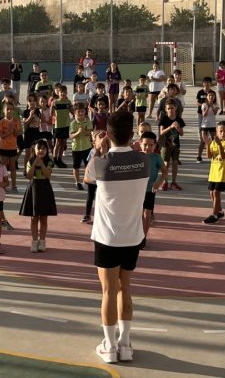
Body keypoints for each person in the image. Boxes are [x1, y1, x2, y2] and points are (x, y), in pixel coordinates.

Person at [84, 110, 149, 364]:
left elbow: (87, 175)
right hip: (133, 236)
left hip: (107, 237)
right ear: (132, 135)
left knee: (109, 291)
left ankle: (109, 346)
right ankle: (125, 343)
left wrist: (97, 149)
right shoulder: (143, 161)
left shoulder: (101, 163)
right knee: (126, 288)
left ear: (107, 134)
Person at [18, 138, 57, 253]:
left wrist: (41, 164)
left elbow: (47, 175)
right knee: (34, 217)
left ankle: (42, 241)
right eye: (39, 148)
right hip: (34, 188)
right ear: (34, 150)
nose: (41, 151)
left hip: (45, 188)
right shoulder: (30, 161)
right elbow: (29, 176)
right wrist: (35, 163)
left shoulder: (49, 162)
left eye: (44, 149)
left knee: (44, 217)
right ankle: (34, 241)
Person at [202, 121, 225, 224]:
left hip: (222, 174)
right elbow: (209, 156)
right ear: (217, 132)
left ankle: (214, 215)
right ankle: (219, 211)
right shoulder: (213, 142)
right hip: (213, 173)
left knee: (216, 192)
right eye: (220, 131)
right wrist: (207, 144)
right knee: (211, 193)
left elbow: (223, 156)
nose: (223, 133)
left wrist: (219, 144)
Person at [137, 131, 165, 236]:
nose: (147, 147)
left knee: (147, 216)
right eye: (145, 144)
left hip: (150, 191)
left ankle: (143, 238)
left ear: (155, 145)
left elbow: (165, 171)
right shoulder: (136, 156)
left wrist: (158, 183)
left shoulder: (157, 157)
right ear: (140, 143)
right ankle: (136, 236)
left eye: (151, 145)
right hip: (137, 191)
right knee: (137, 216)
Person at [158, 99, 185, 191]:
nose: (171, 110)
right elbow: (161, 132)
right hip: (166, 145)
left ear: (176, 108)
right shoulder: (164, 119)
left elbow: (182, 133)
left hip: (176, 145)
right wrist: (170, 127)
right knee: (166, 164)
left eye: (172, 108)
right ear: (166, 109)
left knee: (175, 163)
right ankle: (165, 181)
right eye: (169, 108)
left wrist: (178, 128)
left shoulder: (179, 119)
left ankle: (174, 182)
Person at [0, 102, 21, 192]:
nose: (9, 111)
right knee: (4, 167)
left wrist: (14, 129)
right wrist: (9, 131)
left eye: (11, 109)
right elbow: (1, 135)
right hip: (3, 147)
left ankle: (14, 185)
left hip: (13, 147)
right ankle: (3, 184)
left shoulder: (16, 121)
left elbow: (17, 134)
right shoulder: (1, 122)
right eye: (7, 109)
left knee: (13, 167)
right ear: (3, 111)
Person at [70, 104, 93, 190]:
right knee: (76, 166)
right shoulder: (73, 123)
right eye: (78, 111)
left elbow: (89, 133)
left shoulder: (88, 121)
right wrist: (78, 132)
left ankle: (86, 180)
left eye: (82, 111)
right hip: (76, 148)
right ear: (75, 113)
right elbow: (72, 136)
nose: (81, 113)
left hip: (87, 147)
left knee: (88, 166)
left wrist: (84, 131)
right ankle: (77, 182)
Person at [52, 86, 74, 168]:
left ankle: (60, 159)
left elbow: (73, 112)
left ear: (66, 93)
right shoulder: (55, 102)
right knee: (57, 143)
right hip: (58, 125)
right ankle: (54, 159)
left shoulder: (68, 102)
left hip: (66, 125)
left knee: (63, 143)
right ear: (58, 93)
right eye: (61, 92)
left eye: (64, 92)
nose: (63, 94)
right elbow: (52, 113)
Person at [199, 89, 219, 163]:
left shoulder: (216, 105)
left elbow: (214, 113)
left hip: (212, 125)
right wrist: (208, 107)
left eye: (213, 95)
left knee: (214, 141)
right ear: (207, 97)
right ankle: (199, 156)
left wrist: (212, 106)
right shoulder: (204, 105)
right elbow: (204, 115)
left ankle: (215, 155)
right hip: (205, 125)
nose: (211, 97)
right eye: (209, 95)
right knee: (203, 141)